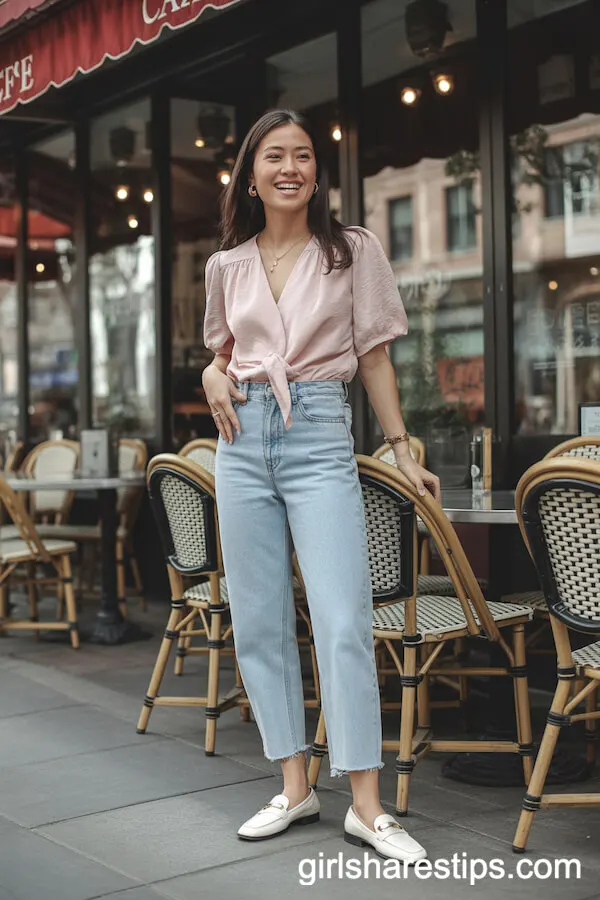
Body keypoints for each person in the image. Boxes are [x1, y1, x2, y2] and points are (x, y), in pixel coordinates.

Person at [202, 109, 440, 863]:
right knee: (260, 620)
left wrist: (401, 446)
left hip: (315, 433)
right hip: (241, 443)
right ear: (249, 173)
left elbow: (372, 356)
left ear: (316, 172)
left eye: (303, 156)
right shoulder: (226, 265)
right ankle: (295, 785)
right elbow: (222, 354)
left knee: (342, 620)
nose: (290, 167)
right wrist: (211, 373)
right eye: (274, 156)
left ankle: (366, 806)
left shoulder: (351, 251)